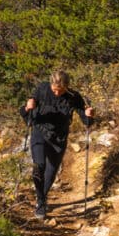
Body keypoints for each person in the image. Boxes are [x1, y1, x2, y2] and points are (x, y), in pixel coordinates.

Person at [23, 70, 93, 219]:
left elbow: (86, 120)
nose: (56, 93)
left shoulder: (74, 96)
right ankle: (41, 201)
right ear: (50, 85)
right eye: (54, 90)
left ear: (67, 87)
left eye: (60, 91)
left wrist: (89, 115)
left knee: (52, 170)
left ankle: (42, 197)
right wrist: (28, 107)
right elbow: (26, 112)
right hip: (40, 132)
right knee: (39, 166)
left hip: (59, 138)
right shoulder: (42, 89)